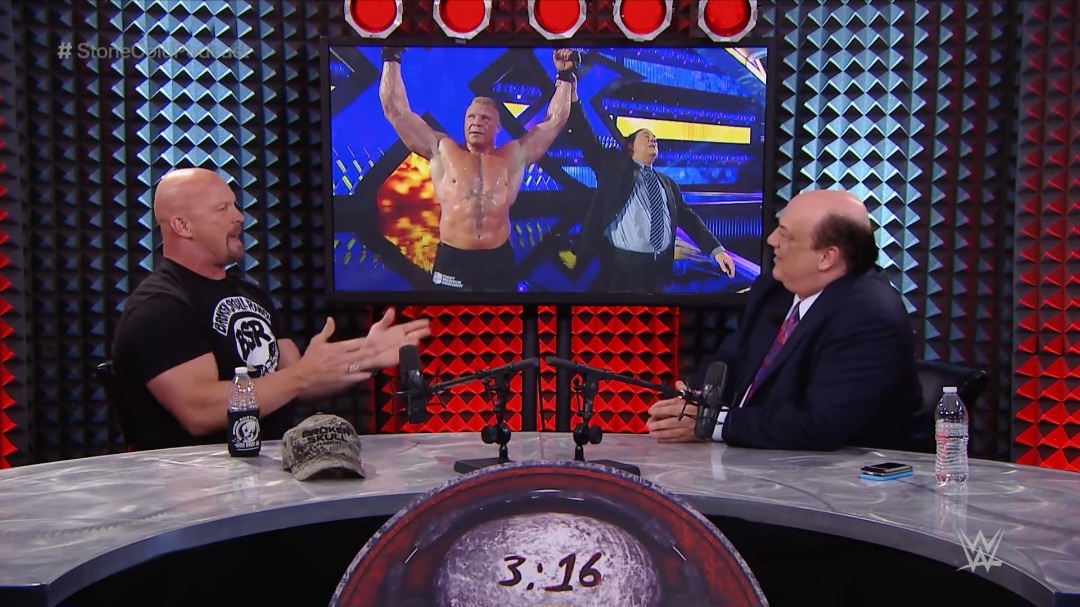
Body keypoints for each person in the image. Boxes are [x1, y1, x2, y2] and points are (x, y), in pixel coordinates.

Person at [111, 168, 432, 451]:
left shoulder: (250, 294)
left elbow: (299, 383)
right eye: (222, 209)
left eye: (235, 205)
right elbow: (201, 410)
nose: (239, 216)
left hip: (271, 471)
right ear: (183, 226)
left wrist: (365, 358)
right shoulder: (159, 307)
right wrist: (302, 375)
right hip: (196, 482)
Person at [646, 189, 925, 451]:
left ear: (827, 257)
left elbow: (820, 425)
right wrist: (693, 399)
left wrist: (710, 423)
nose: (771, 240)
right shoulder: (773, 290)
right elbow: (730, 359)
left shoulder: (869, 317)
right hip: (763, 460)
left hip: (858, 475)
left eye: (785, 235)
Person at [379, 47, 575, 291]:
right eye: (471, 117)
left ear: (498, 127)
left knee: (502, 316)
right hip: (454, 259)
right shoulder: (443, 150)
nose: (476, 123)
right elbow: (395, 110)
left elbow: (554, 122)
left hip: (497, 260)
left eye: (485, 118)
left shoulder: (514, 155)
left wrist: (565, 76)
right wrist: (391, 56)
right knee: (447, 315)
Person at [566, 79, 736, 293]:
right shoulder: (613, 169)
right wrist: (572, 95)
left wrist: (717, 251)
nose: (653, 139)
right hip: (622, 267)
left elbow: (689, 219)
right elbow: (586, 139)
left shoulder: (668, 184)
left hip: (660, 270)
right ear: (631, 146)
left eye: (655, 137)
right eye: (646, 136)